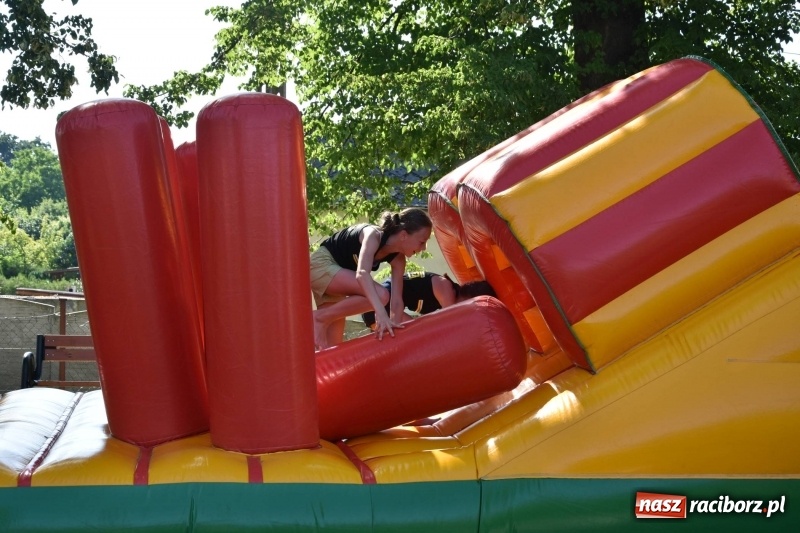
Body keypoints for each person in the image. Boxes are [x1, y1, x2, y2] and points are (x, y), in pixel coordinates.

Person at [310, 207, 433, 350]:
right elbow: (362, 273)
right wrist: (380, 312)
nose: (424, 248)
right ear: (404, 235)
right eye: (422, 241)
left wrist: (394, 331)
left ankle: (320, 321)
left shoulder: (399, 260)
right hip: (321, 265)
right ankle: (318, 317)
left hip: (336, 282)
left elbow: (397, 302)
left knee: (331, 348)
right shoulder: (373, 235)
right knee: (381, 295)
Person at [361, 272, 497, 330]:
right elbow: (452, 324)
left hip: (381, 306)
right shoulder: (446, 288)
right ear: (469, 298)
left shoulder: (446, 296)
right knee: (415, 332)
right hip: (381, 304)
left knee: (414, 331)